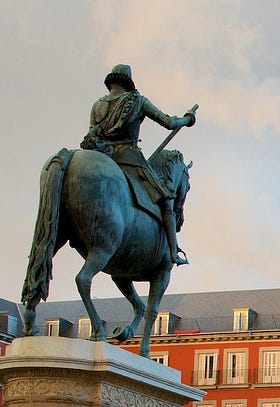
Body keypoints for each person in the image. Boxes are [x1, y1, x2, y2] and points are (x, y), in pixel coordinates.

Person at [79, 64, 196, 265]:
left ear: (112, 82)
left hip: (103, 158)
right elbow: (168, 122)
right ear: (127, 82)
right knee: (167, 198)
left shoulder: (97, 105)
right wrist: (187, 119)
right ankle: (172, 252)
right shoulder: (137, 100)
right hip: (129, 159)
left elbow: (92, 135)